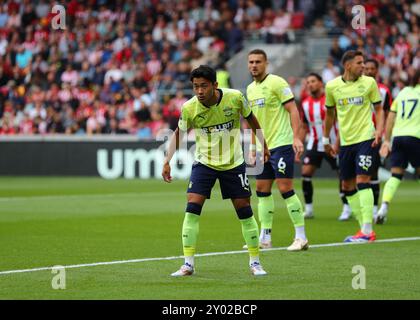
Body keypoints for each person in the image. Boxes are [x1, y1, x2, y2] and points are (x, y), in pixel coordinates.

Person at [162, 65, 270, 277]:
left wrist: (263, 145)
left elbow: (252, 120)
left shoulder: (235, 98)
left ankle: (255, 262)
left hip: (233, 163)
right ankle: (188, 264)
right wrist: (167, 160)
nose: (199, 91)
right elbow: (178, 133)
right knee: (192, 207)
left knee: (244, 210)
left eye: (204, 86)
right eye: (195, 87)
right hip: (205, 163)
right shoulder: (189, 108)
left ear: (215, 85)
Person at [246, 49, 308, 251]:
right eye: (251, 62)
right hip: (263, 147)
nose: (254, 65)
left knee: (285, 188)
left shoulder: (277, 83)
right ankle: (265, 238)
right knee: (262, 191)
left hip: (281, 144)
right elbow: (254, 121)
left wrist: (297, 137)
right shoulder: (250, 89)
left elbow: (293, 110)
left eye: (258, 62)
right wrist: (254, 147)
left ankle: (301, 237)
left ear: (266, 63)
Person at [323, 50, 384, 243]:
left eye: (364, 63)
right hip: (346, 142)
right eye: (359, 63)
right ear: (347, 65)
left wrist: (379, 131)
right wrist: (327, 140)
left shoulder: (369, 83)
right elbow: (330, 116)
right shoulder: (332, 86)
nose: (363, 66)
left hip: (366, 138)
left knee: (363, 179)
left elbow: (380, 109)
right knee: (347, 185)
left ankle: (367, 230)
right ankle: (362, 228)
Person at [299, 73, 352, 221]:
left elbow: (341, 121)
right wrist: (298, 144)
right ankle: (308, 209)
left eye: (313, 81)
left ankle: (346, 208)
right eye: (308, 82)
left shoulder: (330, 100)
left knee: (342, 176)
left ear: (321, 83)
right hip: (314, 143)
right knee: (306, 173)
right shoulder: (304, 103)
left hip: (333, 143)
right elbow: (304, 126)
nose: (310, 84)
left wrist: (339, 142)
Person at [376, 70, 420, 223]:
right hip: (416, 137)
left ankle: (383, 208)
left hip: (398, 138)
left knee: (395, 176)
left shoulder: (403, 92)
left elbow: (390, 118)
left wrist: (387, 140)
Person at [363, 58, 393, 219]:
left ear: (377, 71)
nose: (368, 71)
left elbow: (388, 115)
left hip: (376, 136)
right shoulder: (357, 88)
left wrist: (385, 136)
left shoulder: (383, 90)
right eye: (366, 68)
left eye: (372, 69)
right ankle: (355, 208)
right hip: (358, 136)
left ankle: (374, 209)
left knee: (372, 172)